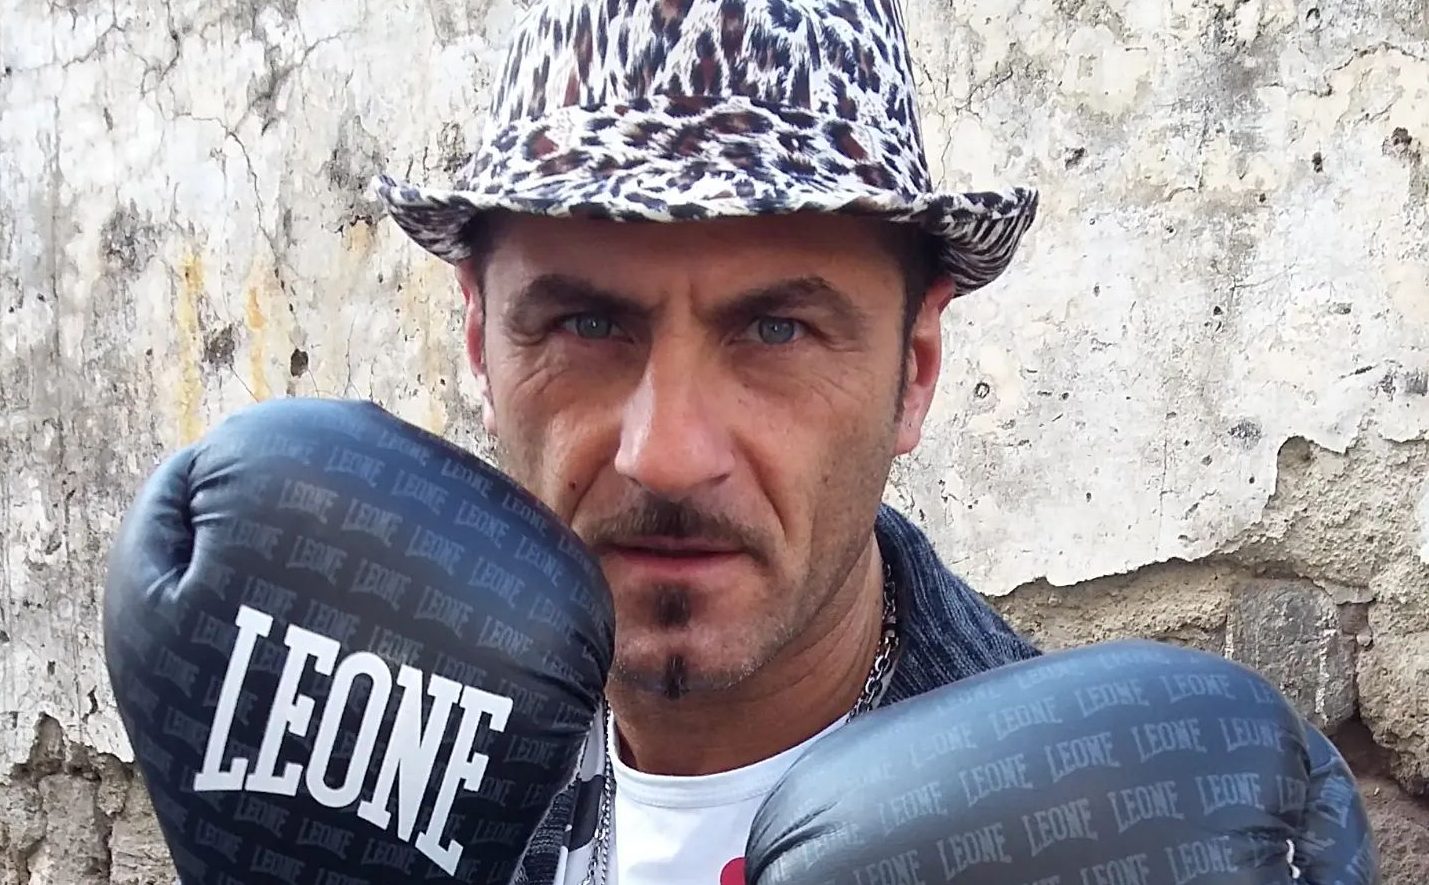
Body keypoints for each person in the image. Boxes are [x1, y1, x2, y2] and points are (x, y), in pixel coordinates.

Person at [371, 1, 1360, 883]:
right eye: (586, 325)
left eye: (775, 330)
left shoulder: (1093, 833)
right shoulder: (374, 762)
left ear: (914, 372)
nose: (666, 455)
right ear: (479, 344)